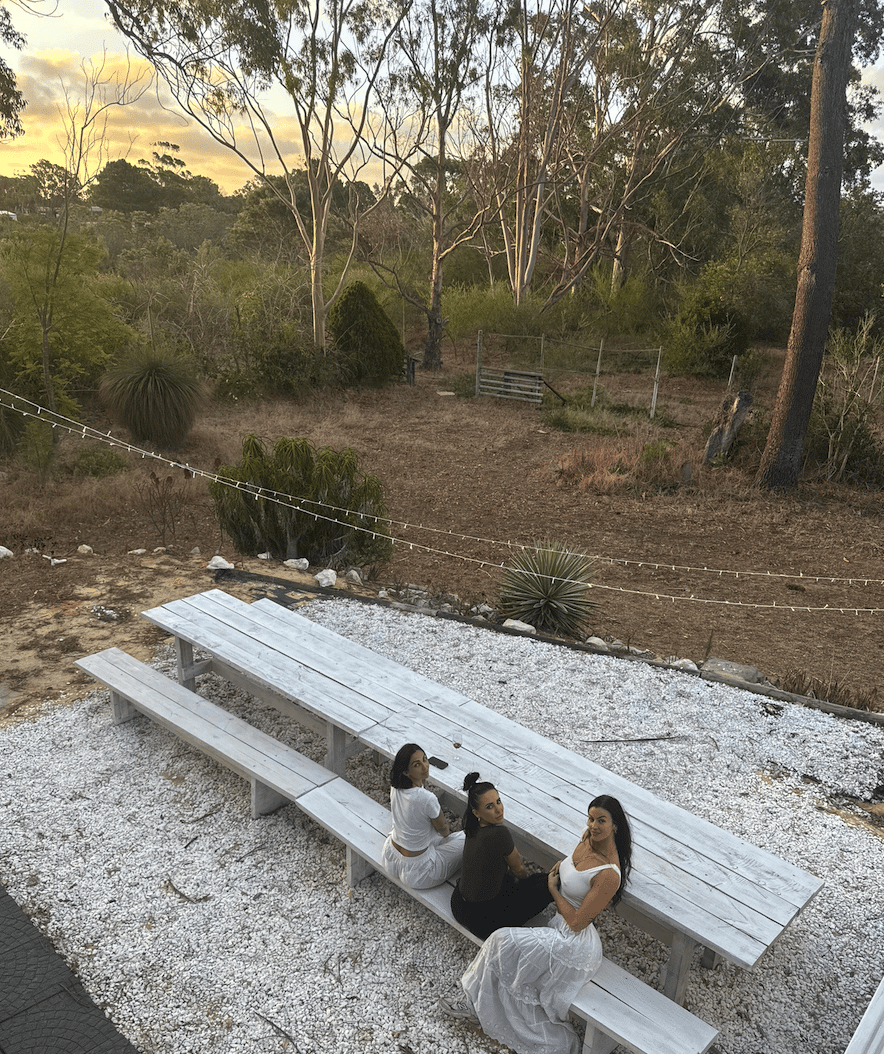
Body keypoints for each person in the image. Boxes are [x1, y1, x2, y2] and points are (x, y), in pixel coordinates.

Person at [441, 794, 633, 1054]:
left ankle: (473, 1002)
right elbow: (571, 867)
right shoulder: (588, 838)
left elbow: (577, 923)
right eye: (590, 818)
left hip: (574, 943)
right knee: (505, 946)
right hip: (559, 923)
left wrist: (554, 890)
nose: (593, 825)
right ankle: (473, 1001)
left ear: (615, 825)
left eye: (602, 820)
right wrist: (559, 874)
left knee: (500, 939)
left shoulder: (609, 875)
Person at [450, 772, 553, 940]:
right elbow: (519, 868)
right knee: (546, 883)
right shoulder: (500, 833)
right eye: (490, 807)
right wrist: (528, 886)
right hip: (482, 922)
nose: (499, 809)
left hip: (458, 904)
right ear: (477, 813)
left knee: (505, 878)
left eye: (498, 802)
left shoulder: (471, 828)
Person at [380, 743, 464, 889]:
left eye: (425, 759)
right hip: (419, 872)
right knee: (467, 837)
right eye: (417, 764)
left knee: (431, 835)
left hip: (390, 857)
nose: (425, 766)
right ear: (406, 772)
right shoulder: (427, 798)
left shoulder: (396, 786)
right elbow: (444, 830)